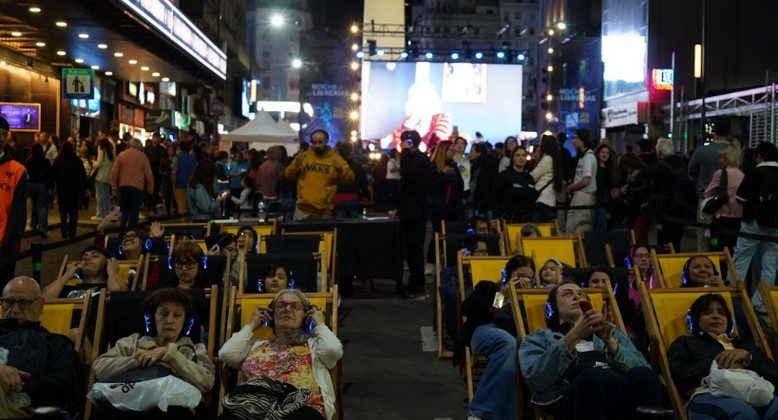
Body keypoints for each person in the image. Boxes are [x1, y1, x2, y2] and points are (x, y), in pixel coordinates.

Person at [519, 281, 661, 420]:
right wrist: (574, 335)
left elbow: (644, 369)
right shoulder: (539, 338)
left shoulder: (611, 332)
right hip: (575, 401)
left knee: (644, 375)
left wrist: (610, 342)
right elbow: (537, 379)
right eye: (568, 294)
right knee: (595, 376)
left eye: (581, 294)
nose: (577, 297)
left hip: (620, 397)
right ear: (552, 307)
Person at [91, 288, 215, 420]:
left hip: (172, 408)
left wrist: (170, 355)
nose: (170, 320)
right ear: (151, 318)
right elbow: (100, 369)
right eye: (163, 314)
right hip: (129, 402)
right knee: (103, 412)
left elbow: (207, 383)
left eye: (177, 315)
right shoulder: (132, 342)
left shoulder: (194, 349)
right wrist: (140, 359)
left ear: (185, 321)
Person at [218, 289, 343, 420]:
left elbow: (333, 350)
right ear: (271, 315)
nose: (287, 309)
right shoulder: (258, 345)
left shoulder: (314, 346)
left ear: (306, 316)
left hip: (300, 409)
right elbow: (226, 354)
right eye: (280, 306)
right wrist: (251, 325)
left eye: (295, 306)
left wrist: (319, 324)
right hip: (254, 406)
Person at [668, 293, 778, 419]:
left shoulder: (746, 345)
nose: (715, 316)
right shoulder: (685, 343)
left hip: (753, 391)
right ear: (696, 320)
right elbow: (680, 375)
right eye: (707, 312)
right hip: (709, 393)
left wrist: (750, 357)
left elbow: (775, 374)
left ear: (729, 321)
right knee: (744, 414)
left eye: (721, 313)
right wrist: (717, 362)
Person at [459, 255, 536, 420]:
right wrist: (503, 295)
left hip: (517, 336)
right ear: (508, 275)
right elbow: (467, 309)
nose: (523, 281)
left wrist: (526, 297)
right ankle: (480, 411)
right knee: (509, 345)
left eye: (528, 278)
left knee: (515, 351)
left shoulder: (532, 297)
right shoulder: (489, 287)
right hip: (486, 329)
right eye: (519, 277)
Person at [0, 277, 80, 417]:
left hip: (21, 407)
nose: (15, 310)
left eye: (24, 303)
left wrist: (23, 383)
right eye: (9, 302)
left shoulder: (56, 343)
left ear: (41, 305)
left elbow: (63, 389)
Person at [729, 142, 778, 315]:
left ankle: (733, 295)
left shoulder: (755, 172)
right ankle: (761, 301)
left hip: (752, 223)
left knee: (742, 257)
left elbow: (741, 199)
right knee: (770, 264)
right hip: (775, 227)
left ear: (759, 156)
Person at [388, 130, 431, 298]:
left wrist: (405, 153)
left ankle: (418, 284)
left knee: (414, 250)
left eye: (404, 142)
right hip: (409, 210)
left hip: (416, 212)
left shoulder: (419, 159)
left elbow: (406, 173)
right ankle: (414, 282)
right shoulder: (415, 159)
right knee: (409, 249)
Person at [284, 130, 355, 221]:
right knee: (299, 235)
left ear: (326, 141)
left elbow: (350, 179)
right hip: (303, 209)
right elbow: (288, 175)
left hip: (324, 211)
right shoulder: (303, 157)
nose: (317, 145)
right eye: (314, 142)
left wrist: (340, 170)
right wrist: (296, 164)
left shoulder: (336, 159)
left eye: (320, 142)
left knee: (324, 235)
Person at [640, 138, 691, 252]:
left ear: (659, 152)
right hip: (681, 205)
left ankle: (663, 261)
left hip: (664, 207)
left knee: (663, 238)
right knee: (677, 238)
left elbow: (644, 172)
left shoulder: (659, 166)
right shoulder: (682, 163)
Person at [690, 117, 734, 252]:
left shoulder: (701, 151)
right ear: (729, 132)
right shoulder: (736, 153)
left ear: (713, 131)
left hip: (706, 200)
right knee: (725, 243)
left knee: (703, 241)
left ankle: (703, 269)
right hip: (730, 202)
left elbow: (691, 171)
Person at [426, 140, 465, 274]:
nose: (453, 153)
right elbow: (431, 187)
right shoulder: (433, 167)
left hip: (453, 208)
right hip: (439, 208)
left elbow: (459, 184)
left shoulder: (454, 166)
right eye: (451, 150)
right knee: (438, 234)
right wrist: (442, 175)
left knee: (450, 236)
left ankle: (447, 263)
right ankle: (431, 262)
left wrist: (461, 198)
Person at [704, 144, 744, 253]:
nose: (720, 160)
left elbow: (707, 193)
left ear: (728, 157)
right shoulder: (742, 174)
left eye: (722, 157)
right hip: (738, 218)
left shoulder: (721, 173)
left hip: (722, 217)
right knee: (733, 250)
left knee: (718, 250)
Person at [110, 138, 154, 231]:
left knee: (124, 210)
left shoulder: (122, 155)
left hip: (123, 186)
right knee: (134, 210)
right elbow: (148, 173)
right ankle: (132, 231)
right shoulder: (143, 156)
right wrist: (150, 187)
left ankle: (122, 231)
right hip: (137, 187)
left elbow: (114, 171)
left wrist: (114, 185)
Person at [612, 152, 650, 244]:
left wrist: (625, 190)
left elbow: (643, 189)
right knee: (636, 235)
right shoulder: (637, 174)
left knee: (638, 235)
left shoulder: (642, 174)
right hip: (636, 208)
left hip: (641, 208)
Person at [491, 146, 536, 222]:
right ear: (512, 158)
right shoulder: (504, 176)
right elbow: (494, 197)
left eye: (523, 155)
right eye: (518, 155)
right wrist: (496, 217)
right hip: (509, 217)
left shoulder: (529, 177)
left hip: (527, 218)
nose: (521, 158)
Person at [52, 142, 87, 239]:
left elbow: (53, 174)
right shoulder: (77, 160)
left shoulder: (58, 160)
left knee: (63, 209)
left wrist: (51, 186)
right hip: (74, 189)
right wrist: (85, 188)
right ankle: (72, 232)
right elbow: (82, 175)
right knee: (73, 211)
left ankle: (64, 228)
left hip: (62, 188)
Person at [566, 128, 597, 234]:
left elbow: (585, 181)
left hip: (583, 197)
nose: (573, 141)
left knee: (579, 230)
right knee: (571, 228)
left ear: (583, 140)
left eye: (576, 138)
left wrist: (571, 187)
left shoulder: (588, 157)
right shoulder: (583, 156)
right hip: (579, 196)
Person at [530, 134, 564, 223]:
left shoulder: (547, 159)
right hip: (550, 199)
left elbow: (533, 176)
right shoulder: (555, 158)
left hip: (543, 199)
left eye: (541, 142)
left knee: (540, 229)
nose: (539, 144)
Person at [333, 142, 369, 219]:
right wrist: (366, 195)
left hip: (338, 198)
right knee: (354, 224)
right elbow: (363, 182)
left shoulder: (336, 166)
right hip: (353, 197)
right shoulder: (356, 166)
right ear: (350, 152)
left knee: (340, 225)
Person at [25, 142, 51, 238]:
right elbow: (49, 175)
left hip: (31, 185)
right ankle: (43, 228)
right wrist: (49, 187)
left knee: (34, 204)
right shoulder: (46, 161)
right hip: (41, 185)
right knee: (42, 207)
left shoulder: (29, 160)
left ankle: (33, 225)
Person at [468, 143, 498, 219]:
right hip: (478, 201)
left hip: (486, 203)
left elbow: (487, 185)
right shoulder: (474, 166)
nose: (470, 154)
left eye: (472, 151)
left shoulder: (488, 165)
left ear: (479, 153)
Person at [593, 143, 618, 231]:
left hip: (608, 201)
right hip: (598, 200)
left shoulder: (610, 170)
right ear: (598, 153)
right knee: (601, 224)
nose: (605, 155)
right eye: (602, 152)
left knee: (607, 224)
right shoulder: (595, 169)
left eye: (607, 153)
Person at [172, 141, 198, 215]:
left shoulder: (177, 158)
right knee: (190, 206)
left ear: (179, 148)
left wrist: (173, 184)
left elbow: (174, 172)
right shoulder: (194, 159)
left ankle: (184, 223)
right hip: (191, 186)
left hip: (180, 185)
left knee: (182, 207)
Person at [144, 133, 167, 215]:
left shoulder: (163, 150)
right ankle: (148, 205)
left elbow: (164, 161)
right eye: (155, 138)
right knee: (148, 189)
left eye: (158, 138)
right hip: (149, 172)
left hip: (158, 174)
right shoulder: (147, 149)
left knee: (156, 189)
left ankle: (153, 205)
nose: (157, 139)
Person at [93, 137, 115, 220]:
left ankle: (100, 214)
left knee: (100, 196)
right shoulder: (111, 151)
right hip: (108, 176)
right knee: (106, 196)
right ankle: (107, 213)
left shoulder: (102, 150)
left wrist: (93, 162)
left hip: (100, 176)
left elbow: (99, 163)